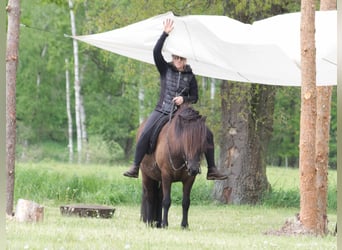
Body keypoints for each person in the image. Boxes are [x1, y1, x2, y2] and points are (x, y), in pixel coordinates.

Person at [123, 19, 227, 181]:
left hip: (184, 114)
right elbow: (156, 52)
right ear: (173, 58)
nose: (180, 61)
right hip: (162, 110)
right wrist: (165, 33)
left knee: (208, 134)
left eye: (183, 58)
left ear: (186, 60)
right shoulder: (165, 69)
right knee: (145, 132)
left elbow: (195, 97)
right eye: (177, 58)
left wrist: (183, 99)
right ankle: (136, 166)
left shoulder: (190, 76)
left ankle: (212, 169)